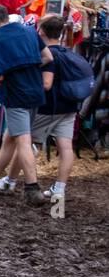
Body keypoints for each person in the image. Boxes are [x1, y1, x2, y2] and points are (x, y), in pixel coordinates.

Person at [0, 4, 51, 204]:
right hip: (35, 91)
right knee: (10, 139)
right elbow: (48, 57)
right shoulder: (30, 32)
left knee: (23, 141)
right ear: (7, 17)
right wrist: (29, 68)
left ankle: (32, 189)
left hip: (15, 95)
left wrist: (12, 73)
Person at [31, 14, 93, 201]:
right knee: (66, 147)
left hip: (48, 108)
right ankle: (59, 188)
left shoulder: (47, 56)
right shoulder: (68, 52)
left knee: (22, 142)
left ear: (41, 31)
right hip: (69, 106)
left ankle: (10, 180)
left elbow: (47, 83)